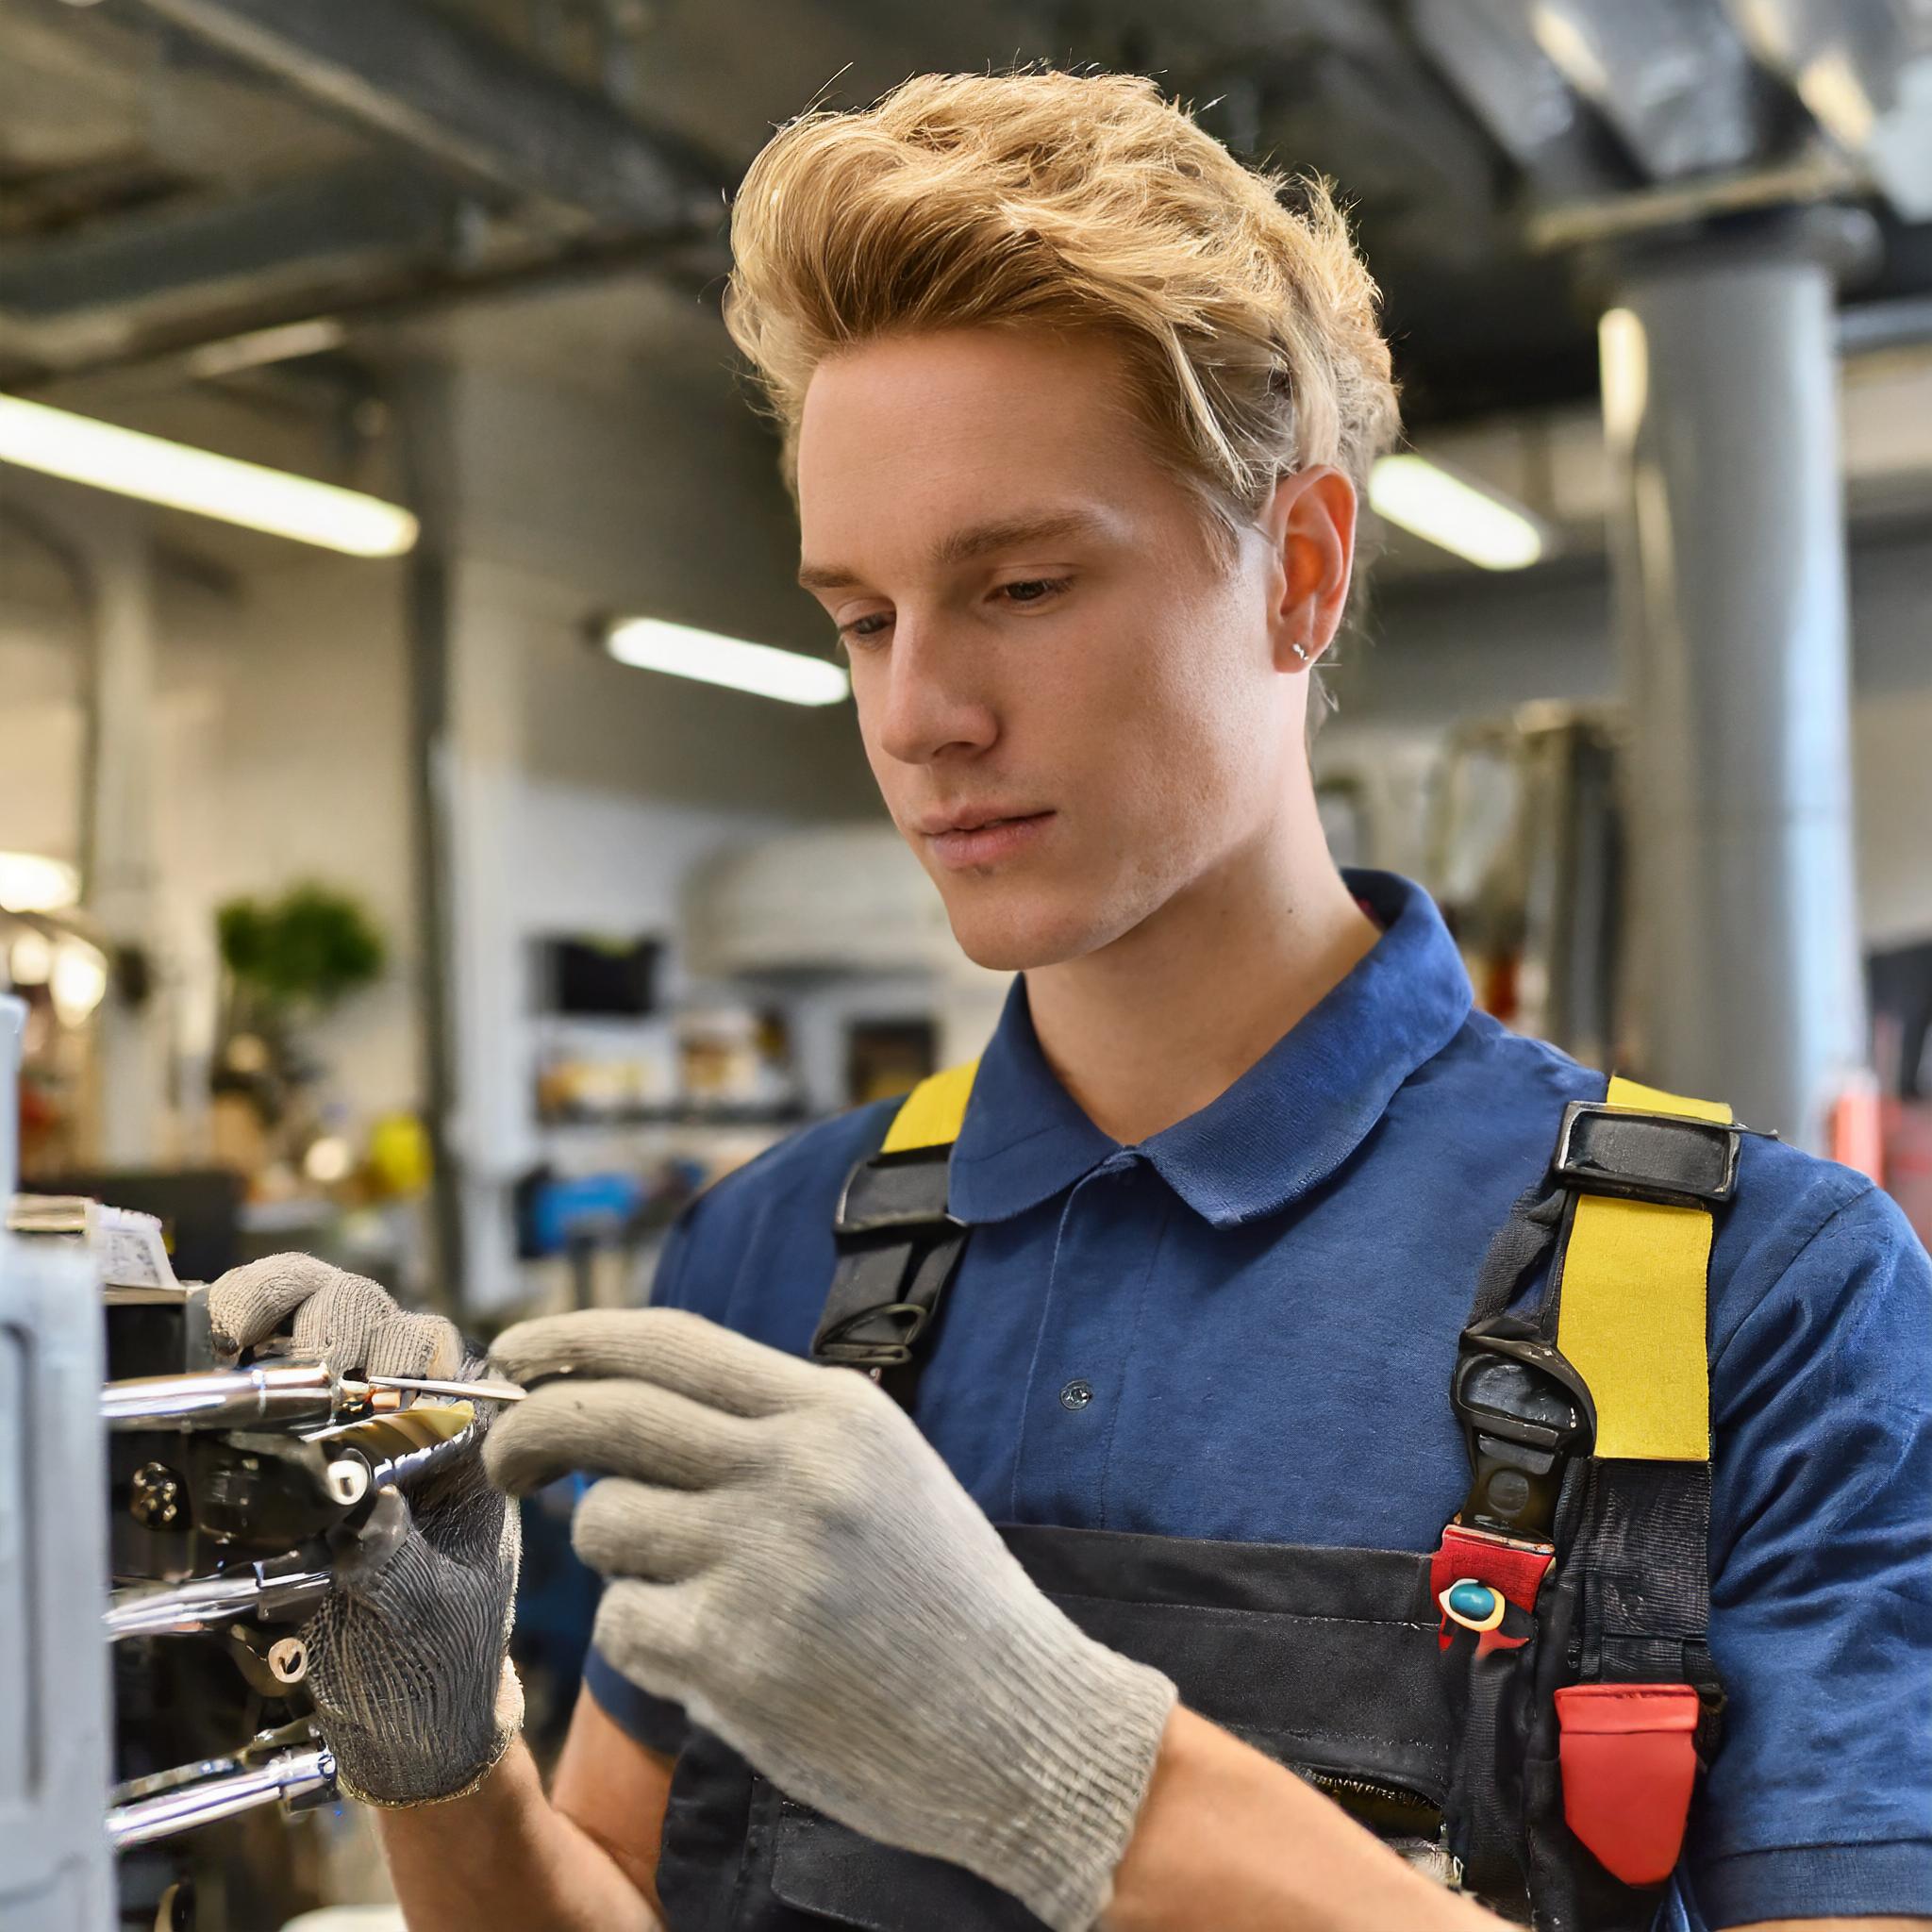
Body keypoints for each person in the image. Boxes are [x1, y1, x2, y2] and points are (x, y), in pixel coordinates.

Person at [210, 69, 1932, 1932]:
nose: (918, 714)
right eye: (862, 618)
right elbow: (614, 1898)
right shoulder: (773, 1254)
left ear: (1299, 570)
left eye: (1020, 584)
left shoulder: (1762, 1297)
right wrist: (447, 1757)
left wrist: (1073, 1769)